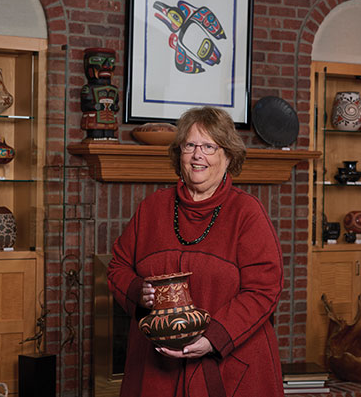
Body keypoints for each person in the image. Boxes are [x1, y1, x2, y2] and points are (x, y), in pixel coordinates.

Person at [107, 106, 284, 397]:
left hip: (230, 364)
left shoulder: (247, 212)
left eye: (209, 146)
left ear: (228, 156)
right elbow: (117, 268)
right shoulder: (151, 209)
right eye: (189, 145)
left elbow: (264, 289)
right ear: (180, 154)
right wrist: (139, 291)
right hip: (156, 367)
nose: (197, 154)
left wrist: (214, 338)